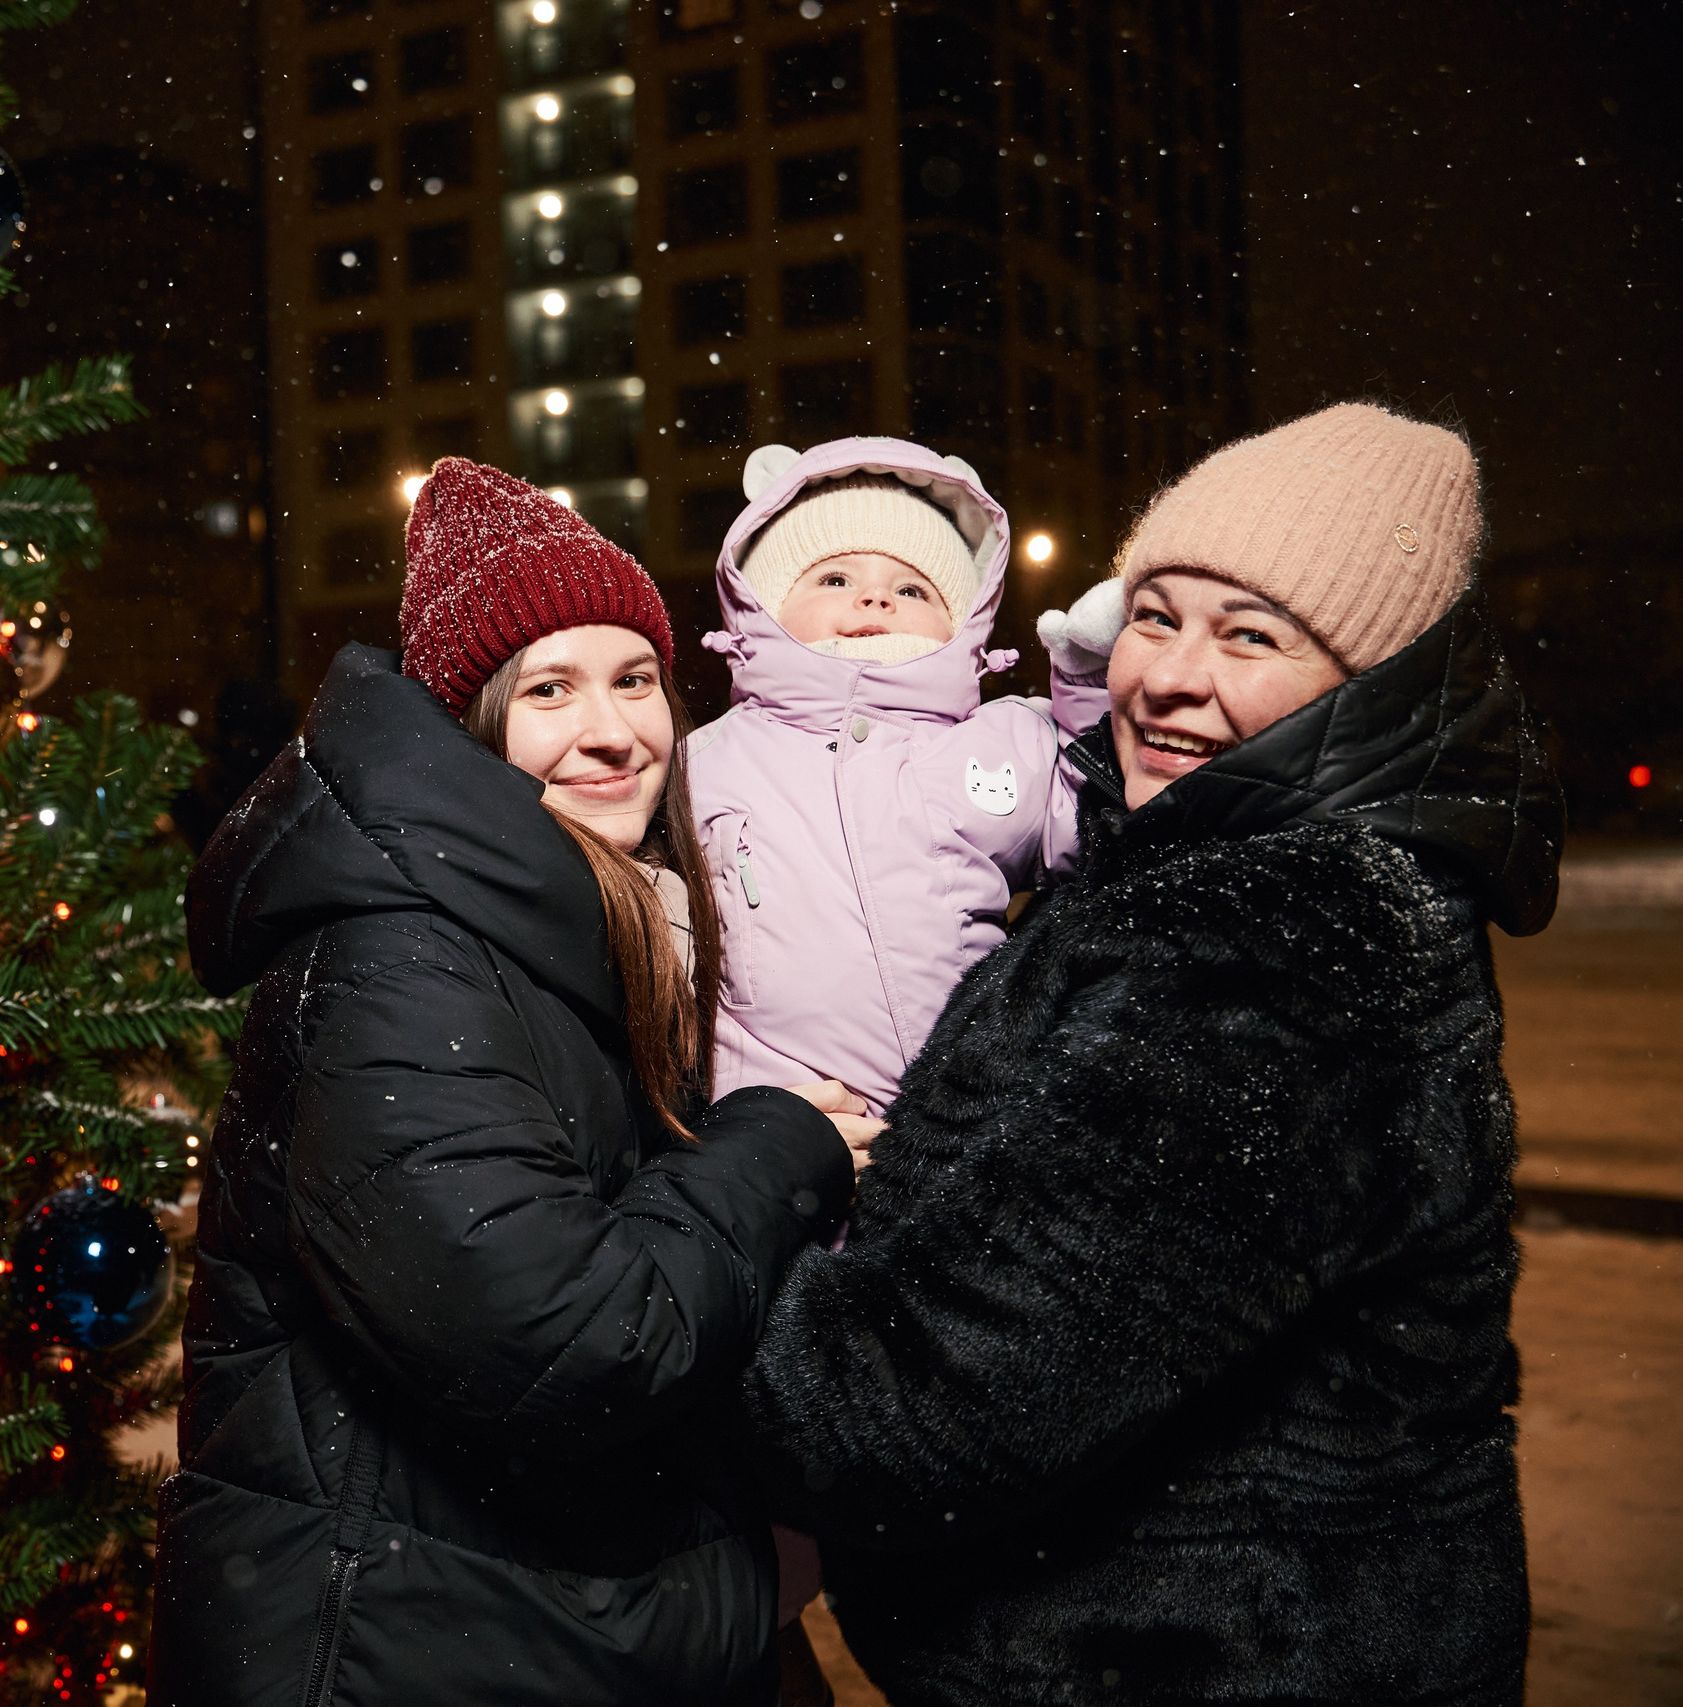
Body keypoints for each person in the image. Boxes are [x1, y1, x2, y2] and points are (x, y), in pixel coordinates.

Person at [742, 402, 1563, 1707]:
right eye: (1159, 614)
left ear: (1377, 677)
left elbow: (916, 1409)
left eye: (1251, 635)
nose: (1170, 673)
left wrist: (654, 1261)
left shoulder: (1282, 939)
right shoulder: (1221, 860)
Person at [155, 458, 862, 1706]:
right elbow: (569, 1339)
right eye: (550, 689)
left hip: (535, 1622)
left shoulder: (603, 928)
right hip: (395, 1647)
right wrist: (778, 1143)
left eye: (636, 679)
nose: (613, 730)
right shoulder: (394, 960)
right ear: (471, 730)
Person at [691, 438, 1125, 1112]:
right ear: (764, 604)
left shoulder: (996, 742)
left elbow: (1094, 820)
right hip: (784, 1129)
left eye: (912, 587)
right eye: (835, 579)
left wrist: (1094, 683)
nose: (875, 599)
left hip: (969, 1120)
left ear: (963, 618)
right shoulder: (706, 761)